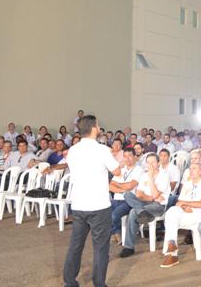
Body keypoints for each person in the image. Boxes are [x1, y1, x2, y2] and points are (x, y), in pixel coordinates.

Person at [63, 115, 122, 287]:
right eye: (98, 124)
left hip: (79, 204)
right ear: (94, 128)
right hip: (99, 205)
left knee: (76, 245)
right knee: (100, 247)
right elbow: (117, 171)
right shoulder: (102, 150)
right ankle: (99, 283)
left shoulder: (73, 150)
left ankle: (69, 282)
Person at [160, 162, 201, 268]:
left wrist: (185, 204)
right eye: (190, 169)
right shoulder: (188, 184)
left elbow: (200, 204)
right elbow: (179, 202)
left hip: (198, 214)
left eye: (194, 168)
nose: (191, 171)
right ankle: (172, 247)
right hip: (184, 212)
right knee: (171, 212)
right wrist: (184, 206)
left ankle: (172, 252)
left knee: (170, 220)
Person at [119, 153, 172, 257]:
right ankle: (142, 212)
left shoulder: (164, 176)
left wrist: (151, 178)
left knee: (133, 212)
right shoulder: (144, 175)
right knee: (127, 194)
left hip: (158, 206)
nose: (150, 165)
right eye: (148, 162)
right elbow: (139, 194)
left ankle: (128, 248)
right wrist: (152, 197)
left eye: (153, 162)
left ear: (159, 163)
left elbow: (156, 195)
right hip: (145, 203)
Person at [109, 148, 141, 244]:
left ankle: (117, 233)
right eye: (125, 156)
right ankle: (114, 233)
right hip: (117, 199)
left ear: (135, 157)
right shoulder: (121, 170)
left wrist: (117, 184)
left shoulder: (139, 170)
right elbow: (110, 186)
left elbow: (131, 185)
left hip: (129, 201)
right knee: (104, 211)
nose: (127, 158)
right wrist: (124, 189)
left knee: (114, 215)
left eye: (130, 156)